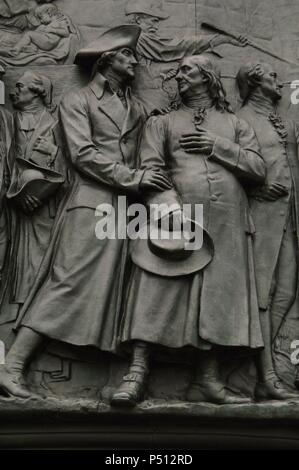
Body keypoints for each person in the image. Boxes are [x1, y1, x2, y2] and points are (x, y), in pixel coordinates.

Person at [0, 25, 171, 399]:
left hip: (129, 210)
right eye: (128, 56)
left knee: (121, 290)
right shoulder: (77, 100)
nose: (136, 62)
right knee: (68, 281)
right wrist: (133, 177)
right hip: (92, 202)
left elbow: (152, 143)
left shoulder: (139, 107)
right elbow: (82, 154)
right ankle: (13, 366)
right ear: (108, 60)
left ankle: (117, 380)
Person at [111, 55, 266, 407]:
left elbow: (258, 168)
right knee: (157, 290)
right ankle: (136, 373)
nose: (179, 76)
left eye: (187, 71)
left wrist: (218, 146)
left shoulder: (234, 123)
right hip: (177, 215)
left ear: (208, 78)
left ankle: (207, 380)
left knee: (215, 299)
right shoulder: (162, 123)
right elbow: (150, 169)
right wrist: (170, 211)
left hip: (227, 219)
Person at [237, 62, 299, 400]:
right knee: (263, 294)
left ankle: (258, 364)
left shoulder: (286, 122)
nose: (279, 81)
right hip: (260, 216)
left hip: (290, 216)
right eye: (272, 76)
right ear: (254, 82)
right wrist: (254, 191)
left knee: (286, 293)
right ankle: (266, 375)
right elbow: (229, 169)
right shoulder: (240, 119)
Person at [0, 71, 65, 329]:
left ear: (37, 91)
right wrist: (16, 193)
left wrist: (55, 154)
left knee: (41, 264)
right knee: (14, 263)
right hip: (14, 205)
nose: (15, 92)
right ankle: (15, 318)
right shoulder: (9, 121)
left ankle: (38, 321)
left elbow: (74, 165)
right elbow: (5, 160)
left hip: (45, 206)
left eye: (21, 87)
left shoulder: (56, 123)